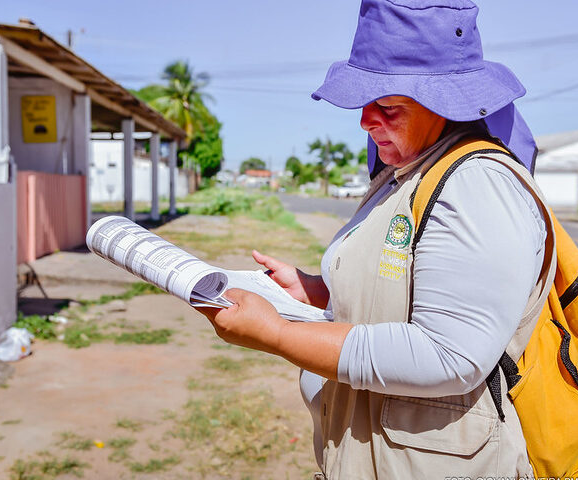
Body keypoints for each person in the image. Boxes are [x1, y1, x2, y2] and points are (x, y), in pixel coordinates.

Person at [196, 1, 556, 478]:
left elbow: (450, 355)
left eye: (387, 106)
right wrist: (319, 292)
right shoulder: (408, 171)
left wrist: (279, 335)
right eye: (364, 103)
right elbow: (410, 288)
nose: (366, 121)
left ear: (445, 103)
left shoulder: (478, 184)